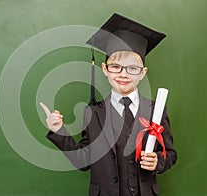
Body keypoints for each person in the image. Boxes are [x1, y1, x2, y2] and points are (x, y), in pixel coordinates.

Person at [40, 13, 177, 196]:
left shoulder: (155, 110)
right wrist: (59, 130)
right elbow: (84, 161)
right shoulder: (92, 113)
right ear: (105, 69)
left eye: (132, 68)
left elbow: (170, 154)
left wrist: (157, 162)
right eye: (116, 67)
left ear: (142, 73)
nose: (123, 74)